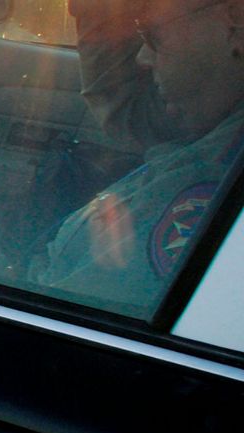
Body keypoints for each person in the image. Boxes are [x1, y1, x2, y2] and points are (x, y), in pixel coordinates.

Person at [29, 0, 244, 315]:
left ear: (235, 23)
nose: (142, 58)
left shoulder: (211, 180)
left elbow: (57, 315)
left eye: (152, 36)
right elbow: (125, 107)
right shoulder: (213, 110)